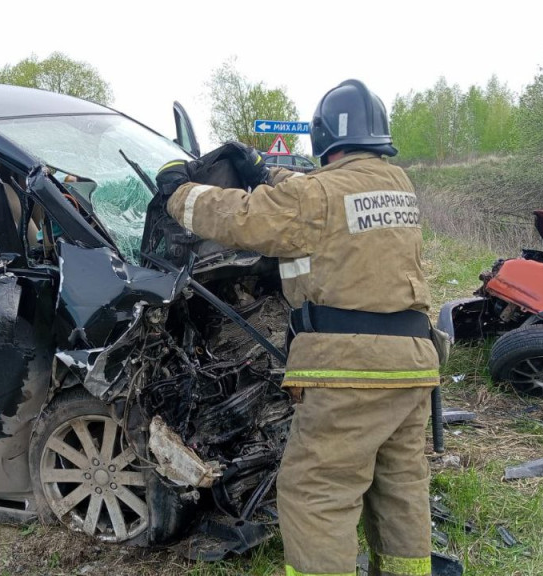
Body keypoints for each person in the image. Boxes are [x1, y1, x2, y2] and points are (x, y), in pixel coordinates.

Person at [156, 79, 439, 576]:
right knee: (400, 484)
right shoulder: (397, 185)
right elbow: (318, 196)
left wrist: (179, 193)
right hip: (413, 365)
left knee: (317, 492)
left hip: (350, 369)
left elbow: (244, 218)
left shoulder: (317, 196)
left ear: (325, 138)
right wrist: (266, 172)